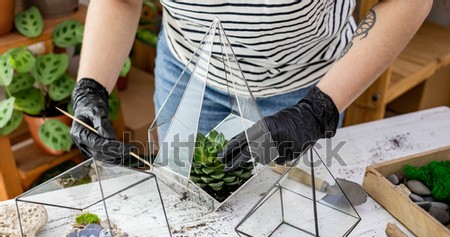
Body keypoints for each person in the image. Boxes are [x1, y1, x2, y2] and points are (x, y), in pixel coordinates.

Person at [70, 0, 432, 167]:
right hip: (187, 74)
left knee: (283, 209)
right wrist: (91, 86)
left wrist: (318, 110)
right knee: (187, 202)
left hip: (304, 88)